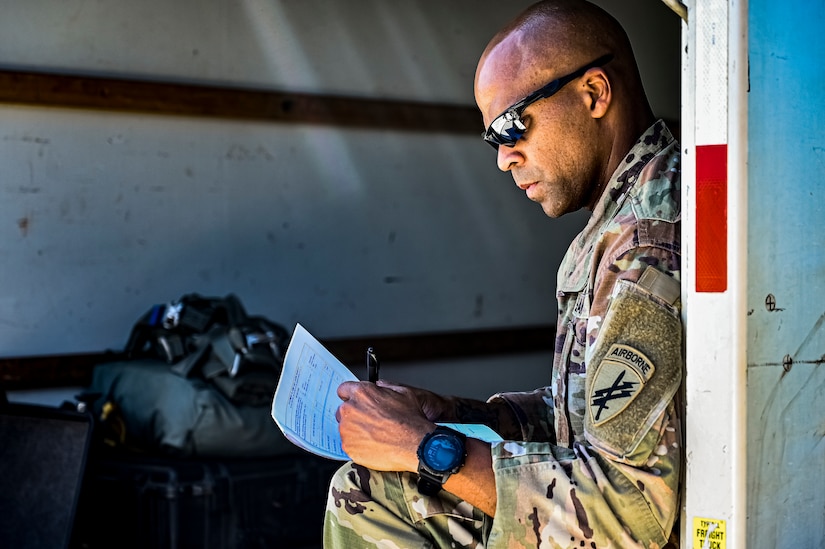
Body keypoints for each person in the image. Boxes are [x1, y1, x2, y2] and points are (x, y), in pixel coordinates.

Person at [324, 1, 682, 547]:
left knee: (365, 494)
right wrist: (454, 415)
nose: (504, 157)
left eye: (512, 125)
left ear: (593, 94)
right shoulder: (624, 216)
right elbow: (591, 417)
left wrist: (424, 447)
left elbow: (625, 511)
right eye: (493, 137)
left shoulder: (646, 246)